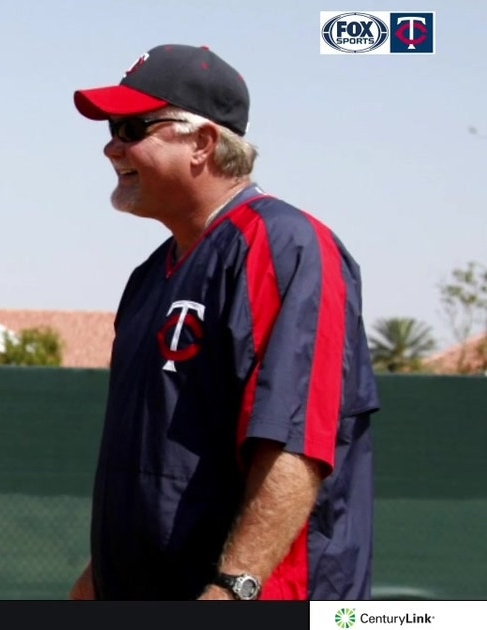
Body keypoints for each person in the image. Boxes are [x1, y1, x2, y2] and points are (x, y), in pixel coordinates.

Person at [67, 44, 378, 601]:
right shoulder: (148, 278)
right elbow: (159, 463)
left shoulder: (283, 245)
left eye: (133, 126)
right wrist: (99, 579)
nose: (111, 145)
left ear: (203, 143)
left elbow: (297, 443)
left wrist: (234, 587)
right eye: (112, 127)